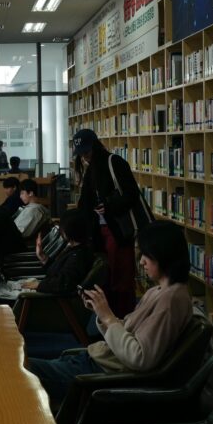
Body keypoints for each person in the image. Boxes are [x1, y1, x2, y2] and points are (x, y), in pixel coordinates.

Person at [25, 221, 193, 408]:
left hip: (99, 375)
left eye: (147, 255)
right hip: (96, 361)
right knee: (18, 364)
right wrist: (102, 313)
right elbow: (128, 333)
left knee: (16, 369)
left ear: (163, 255)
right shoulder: (158, 291)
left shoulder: (170, 301)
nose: (141, 262)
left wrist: (109, 318)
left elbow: (140, 357)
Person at [72, 128, 152, 318]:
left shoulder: (114, 162)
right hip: (99, 232)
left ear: (95, 146)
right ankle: (108, 318)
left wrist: (108, 206)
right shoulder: (90, 170)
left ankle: (124, 320)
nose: (84, 157)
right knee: (106, 277)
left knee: (121, 278)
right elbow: (85, 202)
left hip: (118, 231)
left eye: (87, 152)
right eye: (81, 154)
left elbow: (131, 194)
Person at [0, 208, 99, 302]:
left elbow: (64, 283)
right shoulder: (75, 249)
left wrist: (38, 285)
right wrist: (43, 257)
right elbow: (58, 273)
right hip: (48, 291)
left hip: (51, 300)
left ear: (69, 230)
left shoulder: (78, 255)